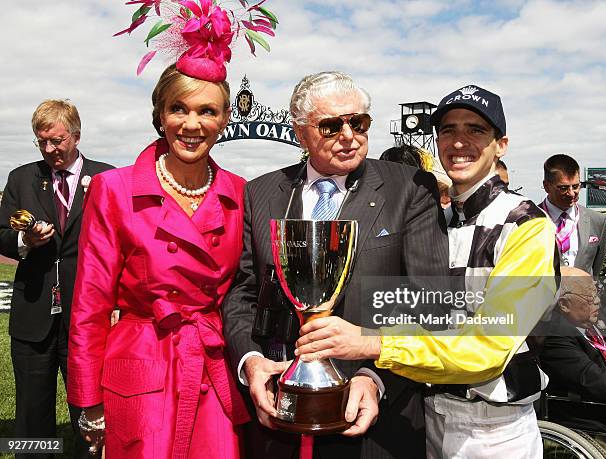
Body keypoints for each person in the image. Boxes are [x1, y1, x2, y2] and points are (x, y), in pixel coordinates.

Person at [64, 0, 281, 455]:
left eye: (208, 111)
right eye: (178, 109)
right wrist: (87, 398)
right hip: (138, 372)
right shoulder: (114, 189)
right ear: (160, 114)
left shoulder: (241, 192)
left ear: (225, 119)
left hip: (212, 365)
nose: (192, 124)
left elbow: (249, 289)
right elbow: (89, 303)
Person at [296, 84, 558, 458]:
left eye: (476, 130)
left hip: (494, 431)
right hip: (426, 417)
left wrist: (370, 342)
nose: (459, 141)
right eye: (448, 130)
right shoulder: (438, 217)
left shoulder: (527, 225)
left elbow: (487, 349)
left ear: (501, 145)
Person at [222, 71, 450, 458]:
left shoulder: (411, 187)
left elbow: (428, 299)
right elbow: (244, 293)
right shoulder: (260, 193)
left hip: (377, 420)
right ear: (300, 132)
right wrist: (252, 362)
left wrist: (376, 377)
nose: (349, 135)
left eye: (358, 122)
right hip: (281, 414)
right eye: (331, 125)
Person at [0, 99, 113, 458]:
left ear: (76, 136)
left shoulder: (107, 178)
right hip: (33, 316)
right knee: (31, 413)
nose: (49, 150)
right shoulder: (21, 178)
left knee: (89, 410)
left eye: (57, 140)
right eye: (42, 142)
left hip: (87, 318)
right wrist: (24, 240)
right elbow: (1, 232)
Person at [540, 266, 606, 436]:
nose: (597, 301)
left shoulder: (588, 323)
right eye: (590, 296)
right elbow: (597, 383)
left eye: (596, 293)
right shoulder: (555, 337)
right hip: (594, 422)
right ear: (564, 304)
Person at [540, 154, 606, 277]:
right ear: (546, 186)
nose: (571, 193)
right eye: (563, 188)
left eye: (576, 186)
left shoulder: (597, 221)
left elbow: (595, 270)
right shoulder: (529, 219)